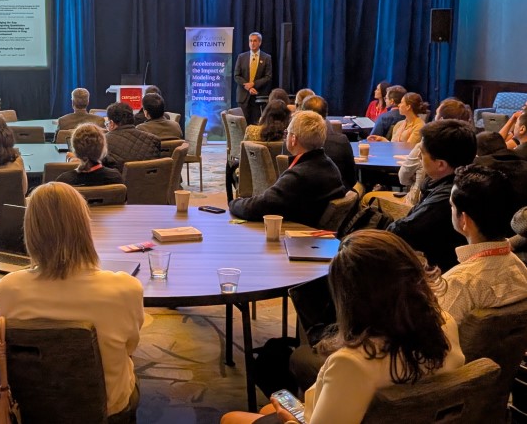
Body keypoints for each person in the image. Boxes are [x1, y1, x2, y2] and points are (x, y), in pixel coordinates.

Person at [221, 230, 464, 424]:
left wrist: (290, 421)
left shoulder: (352, 363)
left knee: (231, 418)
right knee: (268, 409)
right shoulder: (444, 324)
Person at [0, 182, 144, 418]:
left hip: (32, 408)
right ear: (85, 227)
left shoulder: (7, 289)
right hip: (107, 410)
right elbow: (130, 348)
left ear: (30, 231)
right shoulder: (126, 289)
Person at [439, 165, 527, 324]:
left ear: (464, 220)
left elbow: (436, 337)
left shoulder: (456, 284)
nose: (450, 209)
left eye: (452, 206)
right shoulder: (520, 269)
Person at [388, 120, 477, 271]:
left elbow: (401, 233)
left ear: (441, 164)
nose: (419, 157)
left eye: (422, 153)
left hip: (439, 272)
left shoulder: (446, 199)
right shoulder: (466, 179)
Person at [229, 111, 345, 225]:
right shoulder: (329, 165)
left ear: (293, 139)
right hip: (315, 231)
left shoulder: (299, 176)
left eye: (287, 133)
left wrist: (234, 203)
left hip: (300, 232)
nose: (286, 137)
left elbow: (260, 206)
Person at [300, 95, 356, 191]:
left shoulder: (293, 142)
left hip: (301, 196)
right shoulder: (341, 141)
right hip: (338, 195)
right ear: (326, 114)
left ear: (302, 114)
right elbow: (352, 179)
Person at [104, 102, 161, 171]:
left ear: (111, 123)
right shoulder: (153, 140)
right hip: (150, 178)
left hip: (119, 178)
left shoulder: (104, 141)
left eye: (107, 123)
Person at [234, 32, 273, 125]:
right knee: (242, 125)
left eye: (255, 41)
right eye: (250, 41)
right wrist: (249, 87)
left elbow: (268, 76)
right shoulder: (241, 57)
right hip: (243, 97)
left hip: (258, 97)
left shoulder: (266, 57)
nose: (252, 43)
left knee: (256, 124)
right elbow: (236, 76)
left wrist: (254, 84)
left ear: (260, 42)